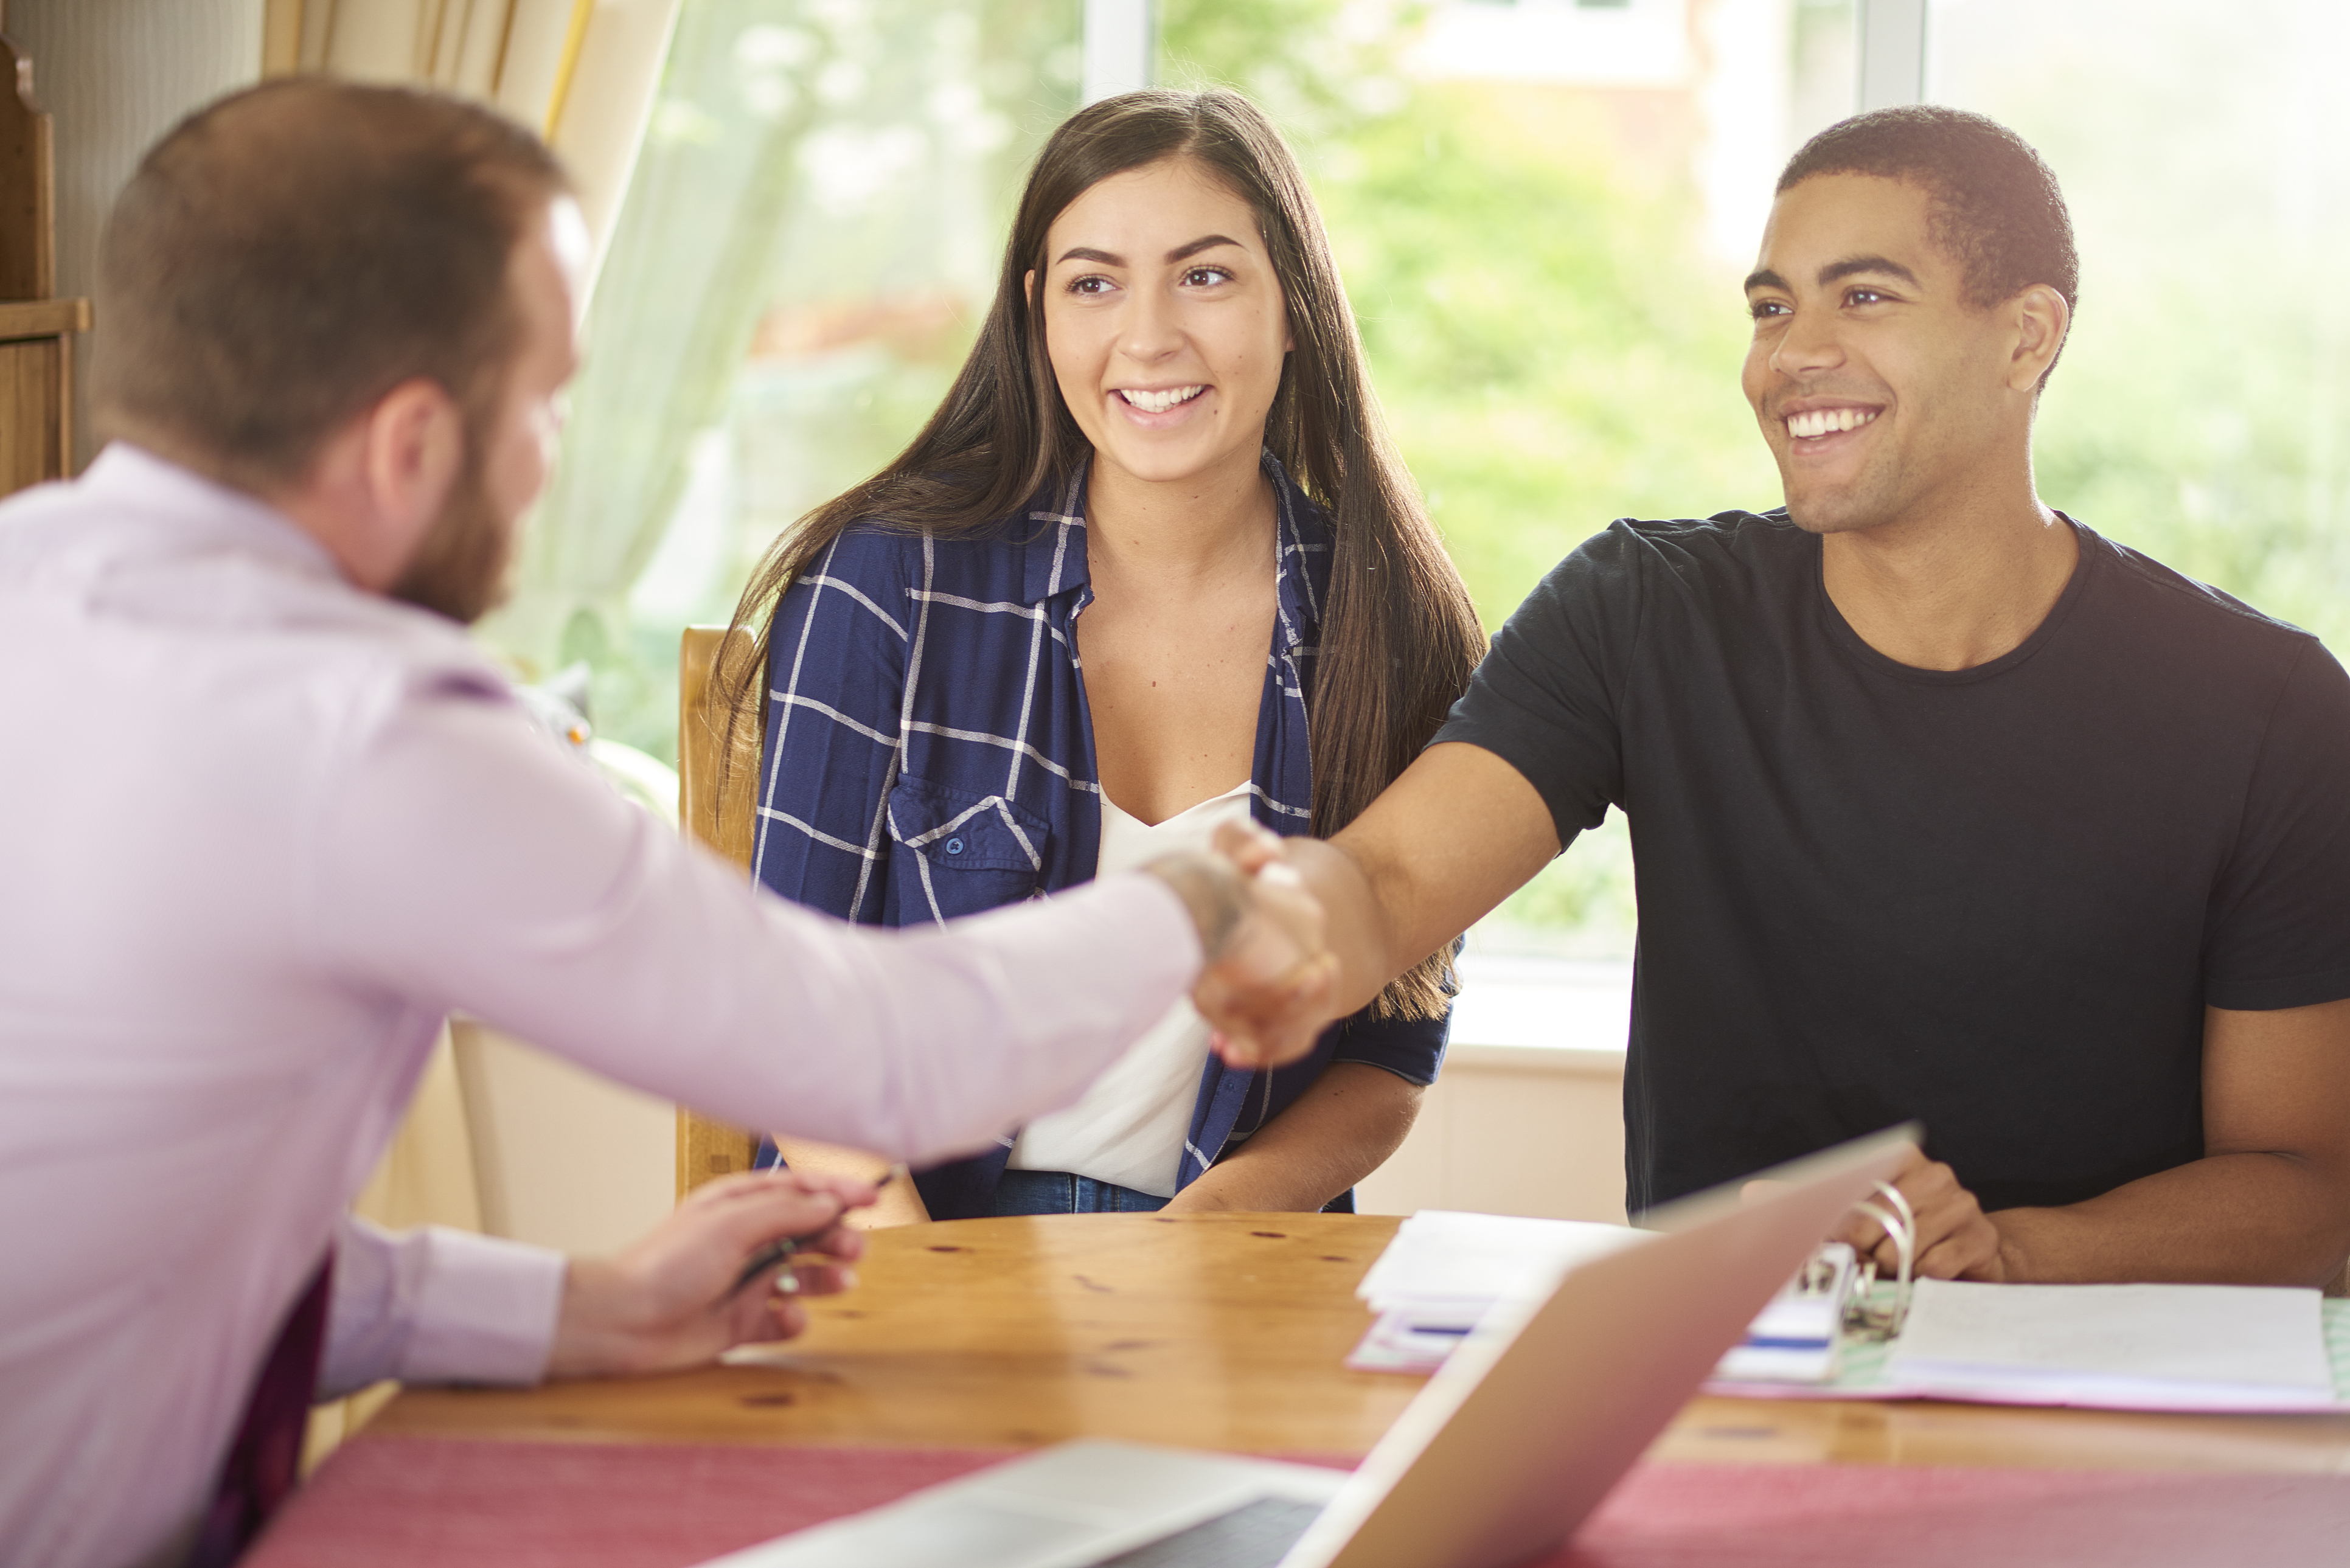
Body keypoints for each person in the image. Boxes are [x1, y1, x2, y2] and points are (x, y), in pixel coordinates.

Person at [0, 80, 1330, 1568]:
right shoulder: (367, 727)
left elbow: (139, 1256)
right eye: (548, 399)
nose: (552, 461)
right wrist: (1205, 901)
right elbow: (877, 1054)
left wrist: (573, 1310)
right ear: (412, 447)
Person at [1232, 105, 2350, 1289]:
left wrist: (2010, 1249)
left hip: (2101, 1389)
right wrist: (1275, 917)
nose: (1791, 354)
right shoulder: (1641, 611)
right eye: (1772, 307)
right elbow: (1390, 880)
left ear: (2027, 337)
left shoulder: (2266, 708)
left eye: (1863, 297)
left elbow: (2313, 1187)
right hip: (1721, 1375)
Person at [720, 89, 1486, 1222]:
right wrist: (933, 1299)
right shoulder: (887, 581)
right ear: (1041, 314)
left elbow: (1394, 1054)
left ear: (1295, 309)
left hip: (1222, 1256)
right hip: (899, 1243)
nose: (1148, 336)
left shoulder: (1394, 622)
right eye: (1094, 283)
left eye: (1207, 274)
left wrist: (1198, 1246)